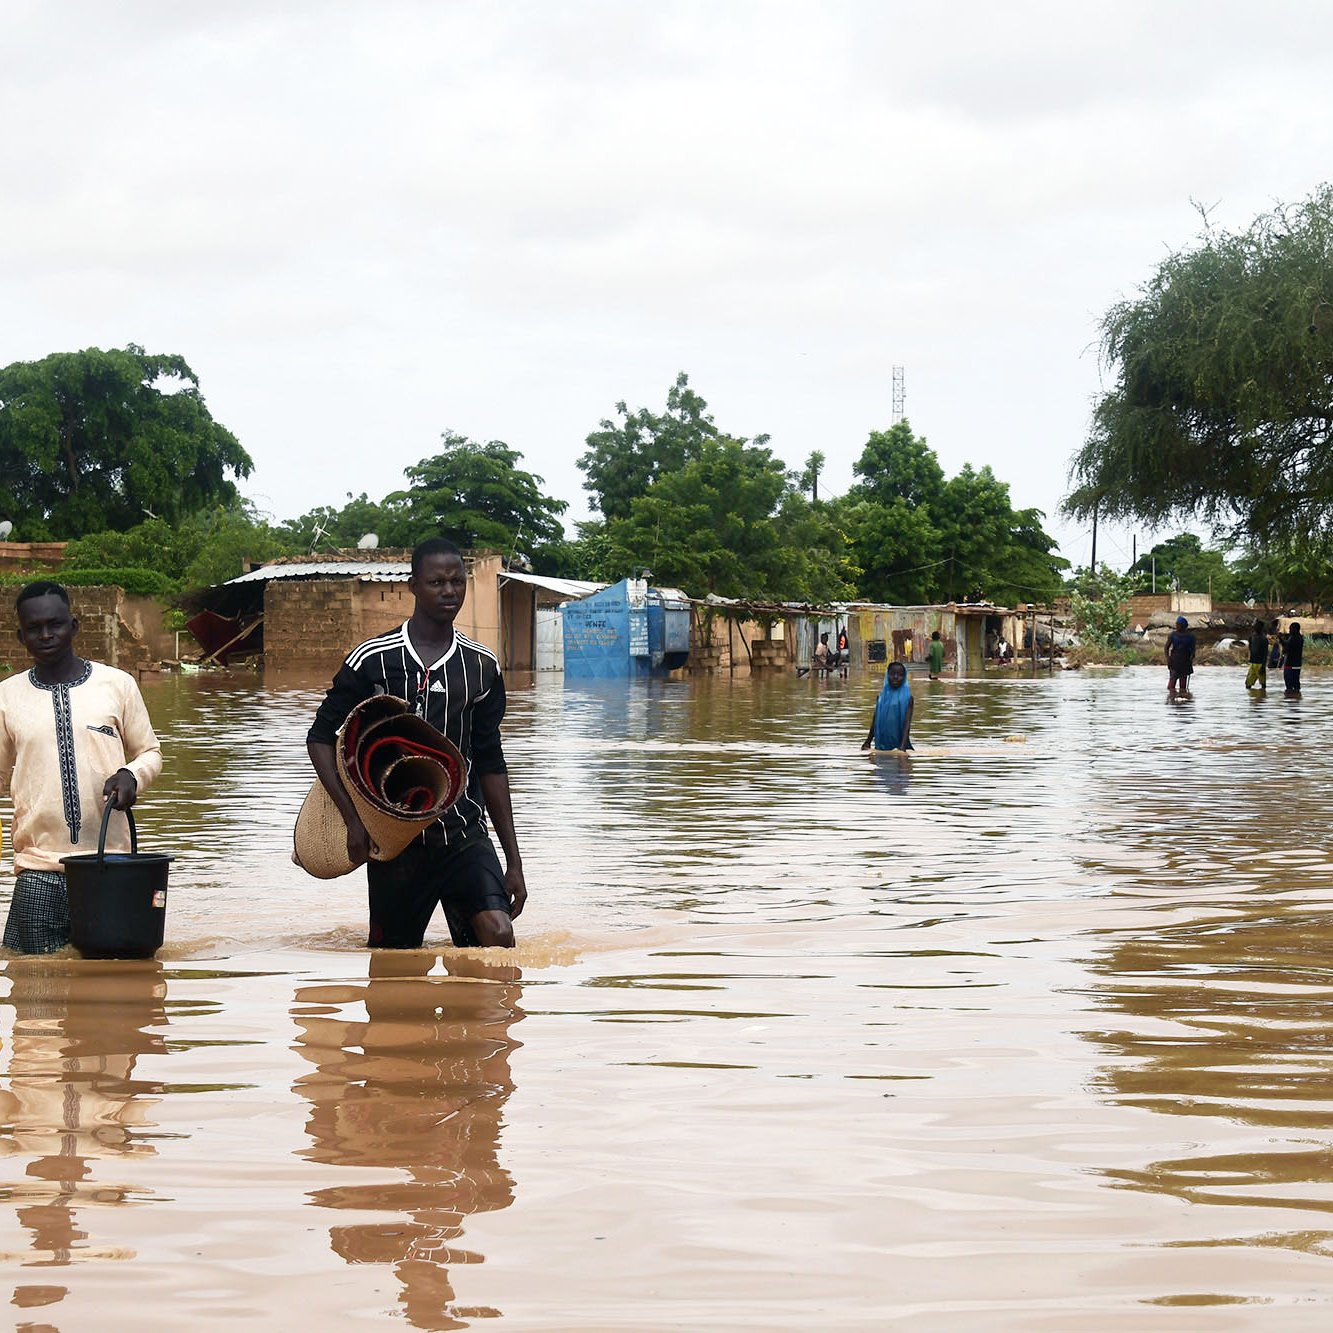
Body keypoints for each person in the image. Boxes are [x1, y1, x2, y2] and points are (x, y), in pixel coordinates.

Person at [306, 538, 527, 950]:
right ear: (412, 586)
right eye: (436, 582)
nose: (449, 591)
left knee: (498, 935)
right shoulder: (372, 660)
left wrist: (513, 861)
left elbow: (491, 762)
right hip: (395, 845)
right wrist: (353, 819)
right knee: (393, 965)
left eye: (457, 582)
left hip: (464, 834)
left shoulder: (481, 667)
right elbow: (320, 739)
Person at [0, 581, 162, 954]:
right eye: (34, 628)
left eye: (55, 624)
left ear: (73, 626)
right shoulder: (7, 698)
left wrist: (131, 775)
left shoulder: (117, 685)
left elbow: (150, 752)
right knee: (34, 992)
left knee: (117, 991)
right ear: (20, 635)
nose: (46, 635)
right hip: (38, 867)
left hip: (112, 867)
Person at [861, 660, 914, 752]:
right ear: (887, 675)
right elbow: (875, 720)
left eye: (900, 675)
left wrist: (902, 747)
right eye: (892, 674)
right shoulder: (881, 697)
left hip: (899, 744)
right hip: (881, 744)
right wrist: (868, 741)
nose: (896, 677)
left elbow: (907, 723)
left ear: (904, 677)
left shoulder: (908, 698)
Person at [1165, 615, 1196, 698]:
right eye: (1177, 624)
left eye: (1179, 625)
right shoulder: (1173, 635)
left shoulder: (1191, 637)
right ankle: (1171, 697)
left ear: (1184, 626)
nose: (1177, 626)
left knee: (1183, 685)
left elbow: (1193, 650)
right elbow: (1166, 647)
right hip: (1174, 661)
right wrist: (1168, 659)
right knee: (1171, 684)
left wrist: (1191, 657)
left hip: (1185, 662)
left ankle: (1183, 697)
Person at [1245, 618, 1268, 693]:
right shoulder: (1252, 637)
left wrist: (1263, 666)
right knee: (1248, 684)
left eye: (1257, 626)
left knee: (1263, 684)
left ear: (1261, 628)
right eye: (1255, 626)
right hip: (1253, 663)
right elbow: (1250, 647)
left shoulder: (1264, 639)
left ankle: (1262, 697)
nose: (1255, 627)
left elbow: (1265, 653)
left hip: (1260, 664)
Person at [1283, 621, 1304, 697]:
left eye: (1291, 629)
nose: (1289, 630)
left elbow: (1286, 649)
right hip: (1297, 664)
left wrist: (1281, 640)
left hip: (1289, 664)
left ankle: (1290, 698)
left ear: (1295, 629)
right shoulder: (1300, 638)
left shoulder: (1292, 638)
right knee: (1296, 684)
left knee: (1289, 686)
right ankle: (1296, 698)